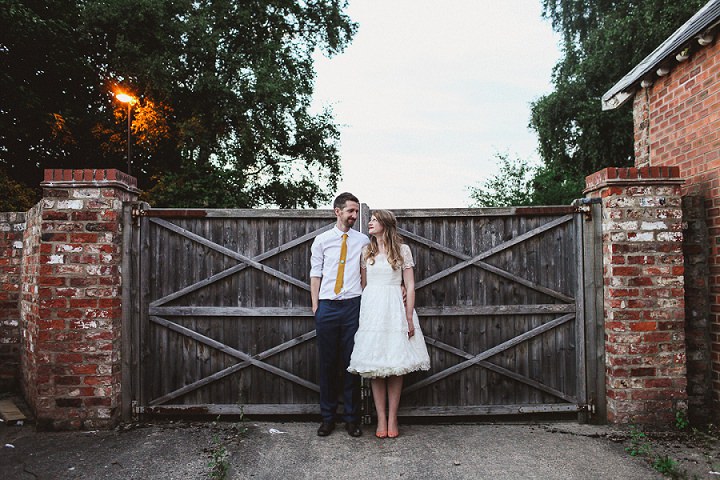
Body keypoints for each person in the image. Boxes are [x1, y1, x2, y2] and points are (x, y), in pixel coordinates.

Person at [347, 209, 430, 438]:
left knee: (395, 363)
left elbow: (410, 285)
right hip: (373, 309)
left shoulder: (403, 250)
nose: (370, 223)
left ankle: (393, 417)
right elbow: (364, 285)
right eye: (370, 220)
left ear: (385, 224)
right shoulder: (367, 251)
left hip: (396, 309)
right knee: (376, 367)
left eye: (374, 220)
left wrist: (409, 315)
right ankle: (380, 419)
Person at [310, 192, 370, 437]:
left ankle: (352, 419)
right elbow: (316, 274)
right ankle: (327, 418)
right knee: (327, 363)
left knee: (351, 364)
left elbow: (366, 275)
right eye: (351, 211)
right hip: (327, 307)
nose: (355, 216)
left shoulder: (363, 241)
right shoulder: (322, 240)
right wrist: (316, 307)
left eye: (356, 212)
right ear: (338, 211)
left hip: (352, 306)